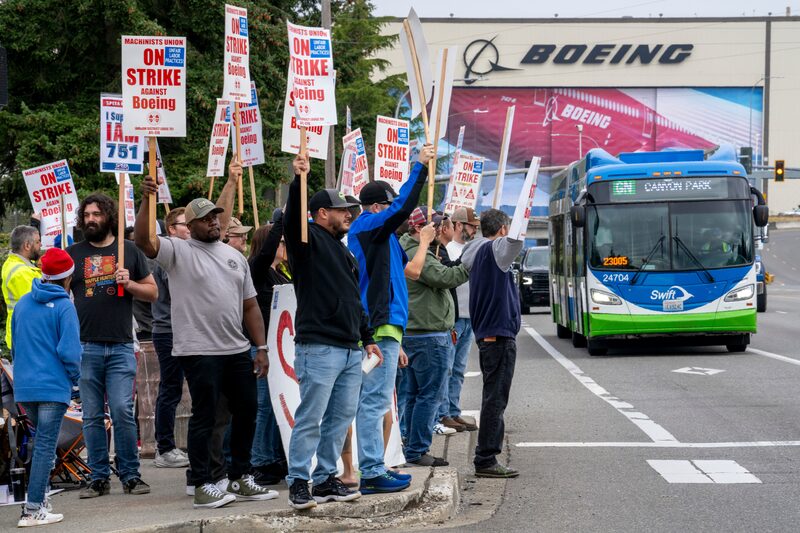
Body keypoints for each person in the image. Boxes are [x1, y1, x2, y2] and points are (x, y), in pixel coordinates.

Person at [135, 162, 278, 509]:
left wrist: (261, 347)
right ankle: (202, 483)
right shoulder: (178, 251)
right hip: (198, 349)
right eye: (207, 219)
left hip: (237, 348)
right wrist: (146, 199)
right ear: (192, 226)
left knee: (247, 411)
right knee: (207, 415)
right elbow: (143, 240)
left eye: (217, 217)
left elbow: (251, 307)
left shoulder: (234, 257)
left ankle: (241, 476)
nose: (215, 222)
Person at [283, 152, 382, 510]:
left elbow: (354, 300)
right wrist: (299, 180)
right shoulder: (305, 240)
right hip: (319, 347)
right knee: (311, 416)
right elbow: (293, 219)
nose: (349, 215)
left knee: (339, 418)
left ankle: (326, 478)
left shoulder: (343, 252)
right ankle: (298, 480)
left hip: (349, 348)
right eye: (342, 210)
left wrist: (367, 338)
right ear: (322, 213)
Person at [347, 144, 436, 495]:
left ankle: (373, 466)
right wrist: (419, 169)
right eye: (388, 205)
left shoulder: (384, 238)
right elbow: (402, 208)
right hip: (379, 324)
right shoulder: (369, 226)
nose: (393, 212)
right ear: (375, 208)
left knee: (377, 400)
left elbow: (406, 274)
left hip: (389, 327)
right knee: (373, 402)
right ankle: (371, 470)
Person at [67, 193, 157, 498]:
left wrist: (129, 283)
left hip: (120, 346)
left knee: (121, 410)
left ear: (109, 217)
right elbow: (58, 296)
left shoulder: (128, 251)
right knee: (92, 416)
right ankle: (98, 477)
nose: (91, 219)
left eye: (97, 214)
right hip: (85, 347)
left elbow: (153, 293)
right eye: (87, 215)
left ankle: (130, 475)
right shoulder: (72, 254)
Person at [11, 248, 81, 527]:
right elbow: (70, 351)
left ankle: (37, 501)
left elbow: (15, 345)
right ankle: (32, 508)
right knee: (44, 447)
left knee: (43, 445)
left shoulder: (23, 303)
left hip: (25, 387)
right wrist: (74, 380)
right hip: (52, 386)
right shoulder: (65, 306)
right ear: (67, 278)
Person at [399, 207, 469, 467]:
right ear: (419, 229)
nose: (439, 230)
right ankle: (417, 449)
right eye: (435, 226)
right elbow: (446, 278)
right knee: (429, 395)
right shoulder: (416, 253)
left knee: (416, 395)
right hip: (427, 335)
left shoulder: (416, 250)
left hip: (420, 334)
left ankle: (412, 443)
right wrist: (469, 264)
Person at [460, 208, 524, 478]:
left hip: (491, 334)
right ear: (502, 230)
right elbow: (514, 243)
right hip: (497, 335)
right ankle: (486, 458)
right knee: (495, 399)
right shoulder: (494, 252)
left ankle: (487, 455)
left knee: (493, 396)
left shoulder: (475, 251)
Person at [247, 214, 290, 487]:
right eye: (282, 242)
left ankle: (275, 456)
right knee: (263, 406)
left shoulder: (278, 272)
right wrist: (281, 224)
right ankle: (259, 461)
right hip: (259, 346)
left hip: (277, 346)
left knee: (276, 406)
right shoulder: (257, 269)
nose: (285, 246)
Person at [151, 208, 191, 469]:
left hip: (185, 328)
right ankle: (164, 447)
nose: (189, 228)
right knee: (171, 388)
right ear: (171, 230)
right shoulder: (170, 257)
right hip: (169, 330)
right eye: (184, 224)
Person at [439, 207, 481, 433]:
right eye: (471, 226)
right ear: (457, 225)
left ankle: (453, 410)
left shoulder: (471, 249)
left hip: (469, 317)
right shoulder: (447, 250)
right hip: (453, 318)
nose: (474, 230)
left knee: (458, 368)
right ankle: (443, 413)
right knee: (446, 367)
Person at [2, 225, 42, 352]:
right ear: (27, 246)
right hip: (27, 337)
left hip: (21, 333)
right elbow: (37, 307)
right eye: (37, 242)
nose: (40, 245)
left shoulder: (14, 263)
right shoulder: (22, 273)